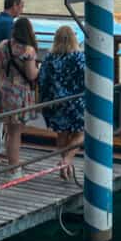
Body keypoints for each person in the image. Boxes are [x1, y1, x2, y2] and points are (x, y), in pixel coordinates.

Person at [0, 17, 40, 177]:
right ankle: (14, 168)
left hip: (1, 91)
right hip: (18, 95)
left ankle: (11, 160)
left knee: (9, 130)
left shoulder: (2, 46)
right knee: (15, 132)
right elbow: (31, 75)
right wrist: (40, 70)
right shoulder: (28, 50)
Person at [38, 26, 86, 180]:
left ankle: (65, 165)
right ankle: (67, 160)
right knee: (81, 134)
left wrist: (44, 101)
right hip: (77, 102)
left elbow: (43, 80)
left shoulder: (49, 58)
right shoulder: (79, 57)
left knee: (62, 134)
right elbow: (87, 78)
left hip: (56, 103)